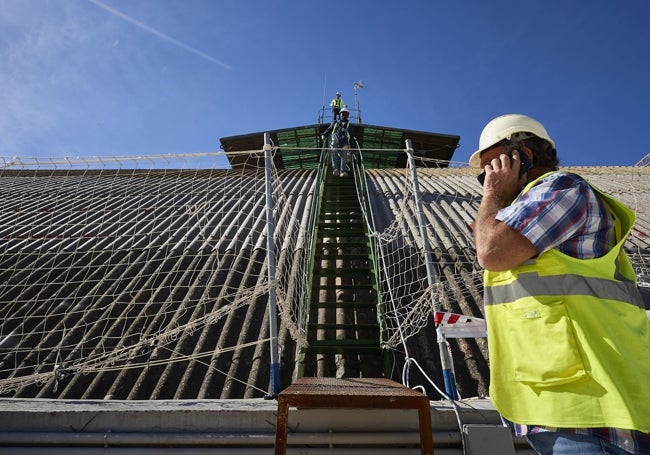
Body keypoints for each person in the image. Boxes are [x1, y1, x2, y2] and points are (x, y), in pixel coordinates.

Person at [471, 113, 650, 455]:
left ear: (523, 154)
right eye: (484, 174)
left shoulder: (563, 188)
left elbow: (491, 250)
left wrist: (494, 195)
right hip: (560, 409)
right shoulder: (527, 213)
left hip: (594, 413)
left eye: (493, 166)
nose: (487, 178)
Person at [321, 107, 356, 177]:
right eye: (342, 114)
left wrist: (352, 147)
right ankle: (335, 169)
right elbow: (329, 129)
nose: (344, 115)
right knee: (334, 152)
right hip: (335, 140)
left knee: (344, 156)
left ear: (347, 115)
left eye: (345, 114)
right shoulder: (335, 123)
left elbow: (352, 137)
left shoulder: (349, 126)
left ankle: (342, 172)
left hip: (345, 142)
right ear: (340, 114)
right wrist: (324, 135)